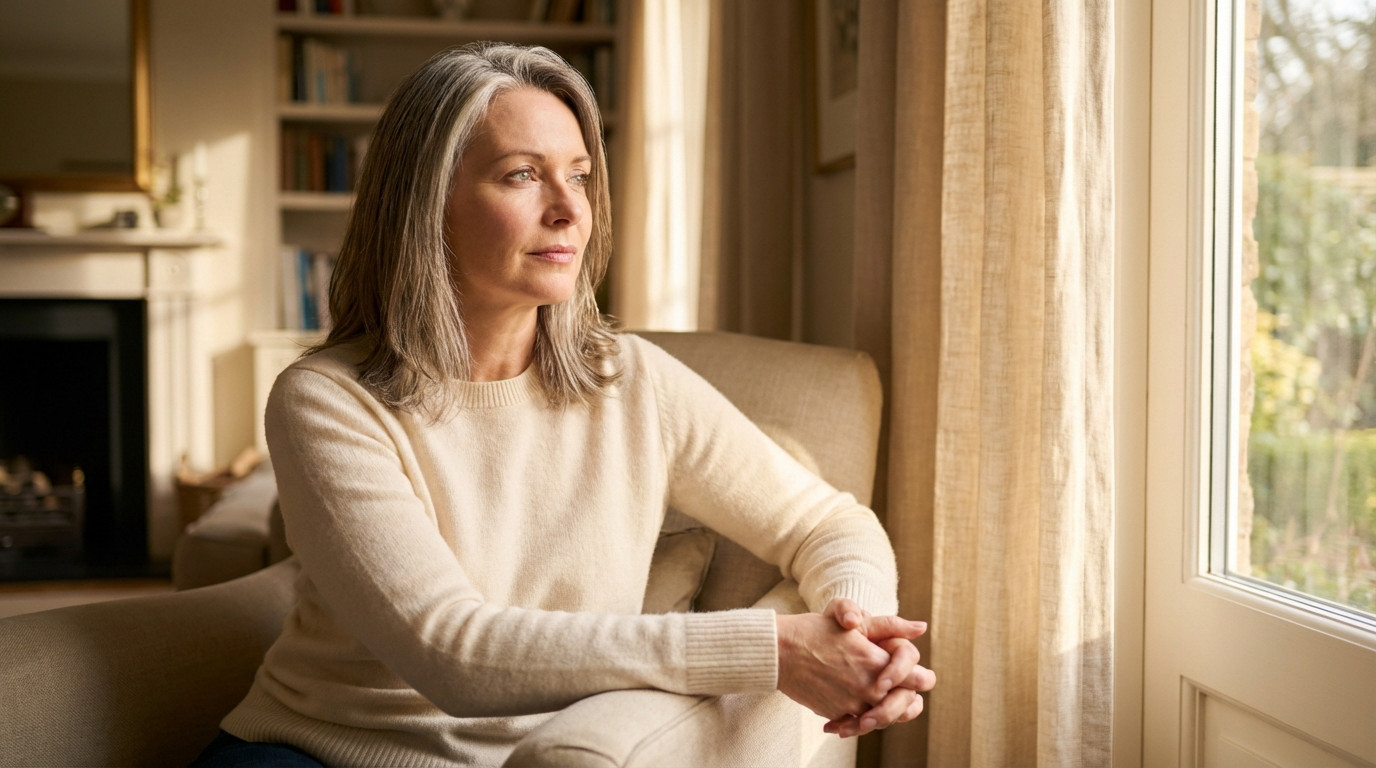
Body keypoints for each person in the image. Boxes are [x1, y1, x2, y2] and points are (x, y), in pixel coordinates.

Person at [193, 42, 935, 767]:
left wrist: (861, 637)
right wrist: (770, 652)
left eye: (578, 176)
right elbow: (452, 652)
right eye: (521, 176)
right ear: (426, 205)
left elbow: (828, 522)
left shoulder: (632, 381)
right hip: (321, 749)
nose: (568, 211)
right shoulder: (328, 400)